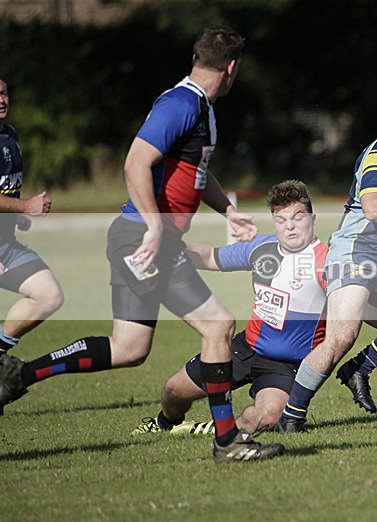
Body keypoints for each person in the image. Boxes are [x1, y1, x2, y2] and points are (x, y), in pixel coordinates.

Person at [0, 26, 284, 462]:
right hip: (145, 237)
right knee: (219, 325)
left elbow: (194, 174)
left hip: (144, 237)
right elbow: (136, 163)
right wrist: (154, 226)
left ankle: (19, 376)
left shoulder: (202, 107)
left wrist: (225, 210)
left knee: (129, 349)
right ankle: (227, 441)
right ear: (231, 68)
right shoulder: (180, 102)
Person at [131, 180, 377, 436]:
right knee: (174, 390)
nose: (289, 226)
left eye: (298, 217)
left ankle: (216, 431)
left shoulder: (327, 261)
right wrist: (167, 248)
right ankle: (164, 423)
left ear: (312, 219)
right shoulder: (261, 248)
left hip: (286, 367)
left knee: (269, 416)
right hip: (244, 348)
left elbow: (361, 308)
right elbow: (210, 256)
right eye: (281, 220)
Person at [275, 80, 377, 433]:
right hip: (354, 250)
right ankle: (290, 417)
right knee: (341, 337)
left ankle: (359, 369)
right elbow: (374, 207)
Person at [0, 78, 65, 389]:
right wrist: (25, 204)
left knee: (49, 295)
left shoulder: (9, 134)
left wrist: (18, 215)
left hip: (6, 245)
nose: (1, 100)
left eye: (3, 92)